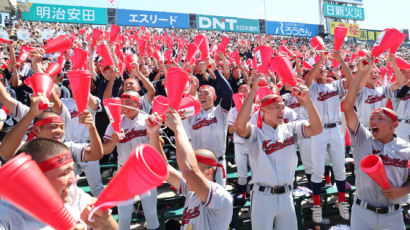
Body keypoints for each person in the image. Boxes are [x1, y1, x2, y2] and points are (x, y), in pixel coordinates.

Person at [236, 77, 322, 230]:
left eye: (283, 107)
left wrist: (308, 102)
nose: (281, 111)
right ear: (263, 110)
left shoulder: (290, 128)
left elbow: (317, 128)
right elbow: (241, 127)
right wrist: (253, 91)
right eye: (276, 107)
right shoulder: (256, 132)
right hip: (263, 196)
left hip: (287, 195)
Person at [343, 56, 410, 230]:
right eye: (372, 118)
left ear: (395, 125)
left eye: (379, 118)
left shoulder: (406, 147)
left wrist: (405, 191)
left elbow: (401, 81)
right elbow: (347, 107)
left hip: (393, 215)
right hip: (363, 213)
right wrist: (361, 72)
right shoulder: (363, 140)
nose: (373, 121)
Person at [0, 138, 118, 230]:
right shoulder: (6, 214)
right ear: (33, 178)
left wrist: (106, 223)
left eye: (72, 170)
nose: (73, 179)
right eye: (64, 173)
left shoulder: (73, 194)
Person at [147, 109, 233, 230]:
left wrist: (178, 128)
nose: (185, 172)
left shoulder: (221, 196)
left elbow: (189, 172)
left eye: (196, 167)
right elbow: (164, 169)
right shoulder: (191, 192)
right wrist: (153, 134)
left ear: (208, 173)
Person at [305, 50, 353, 223]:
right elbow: (308, 80)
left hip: (335, 129)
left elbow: (351, 81)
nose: (323, 70)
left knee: (340, 167)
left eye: (325, 69)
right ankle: (316, 205)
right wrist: (319, 61)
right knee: (317, 169)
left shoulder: (335, 86)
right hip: (318, 130)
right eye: (320, 69)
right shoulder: (312, 87)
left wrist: (340, 59)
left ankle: (342, 200)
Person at [103, 90, 159, 230]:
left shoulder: (147, 119)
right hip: (124, 173)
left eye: (128, 103)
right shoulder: (115, 123)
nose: (124, 106)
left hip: (145, 173)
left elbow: (159, 147)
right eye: (122, 104)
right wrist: (113, 142)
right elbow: (105, 150)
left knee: (151, 214)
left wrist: (154, 134)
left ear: (137, 103)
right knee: (124, 217)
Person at [182, 58, 233, 186]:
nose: (202, 96)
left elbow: (228, 92)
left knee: (218, 200)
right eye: (199, 94)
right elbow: (177, 107)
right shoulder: (192, 113)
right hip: (197, 164)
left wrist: (214, 70)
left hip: (217, 164)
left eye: (206, 93)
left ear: (214, 97)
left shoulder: (220, 111)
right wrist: (184, 75)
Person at [354, 56, 404, 129]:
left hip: (380, 129)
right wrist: (369, 67)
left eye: (375, 73)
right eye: (370, 73)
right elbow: (358, 85)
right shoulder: (360, 89)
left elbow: (400, 83)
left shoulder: (383, 90)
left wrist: (394, 65)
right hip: (364, 129)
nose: (374, 74)